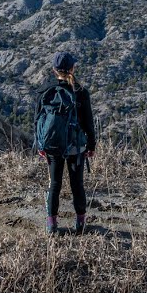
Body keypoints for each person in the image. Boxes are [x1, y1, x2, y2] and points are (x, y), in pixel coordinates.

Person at [33, 51, 95, 235]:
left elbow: (37, 120)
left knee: (55, 184)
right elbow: (88, 123)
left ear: (54, 70)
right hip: (76, 146)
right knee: (77, 184)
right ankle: (80, 224)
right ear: (72, 68)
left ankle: (51, 225)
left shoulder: (44, 90)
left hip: (52, 146)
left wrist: (40, 145)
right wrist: (91, 146)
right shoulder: (80, 92)